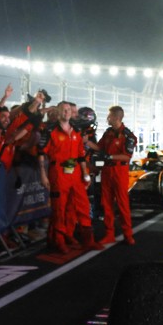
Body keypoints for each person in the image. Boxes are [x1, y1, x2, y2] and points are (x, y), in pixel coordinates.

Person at [39, 101, 100, 252]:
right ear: (58, 112)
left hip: (76, 173)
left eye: (68, 110)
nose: (66, 112)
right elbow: (41, 154)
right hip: (58, 173)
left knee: (83, 205)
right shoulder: (49, 131)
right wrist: (43, 175)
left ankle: (88, 240)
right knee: (59, 207)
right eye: (64, 110)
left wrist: (85, 173)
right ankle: (59, 241)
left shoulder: (77, 131)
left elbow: (81, 154)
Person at [95, 105, 137, 244]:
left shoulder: (128, 136)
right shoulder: (108, 133)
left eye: (110, 116)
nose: (108, 118)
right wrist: (86, 142)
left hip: (119, 171)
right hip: (107, 171)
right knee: (106, 203)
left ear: (117, 118)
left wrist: (110, 157)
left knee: (122, 203)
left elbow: (126, 157)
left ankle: (128, 234)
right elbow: (99, 147)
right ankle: (109, 234)